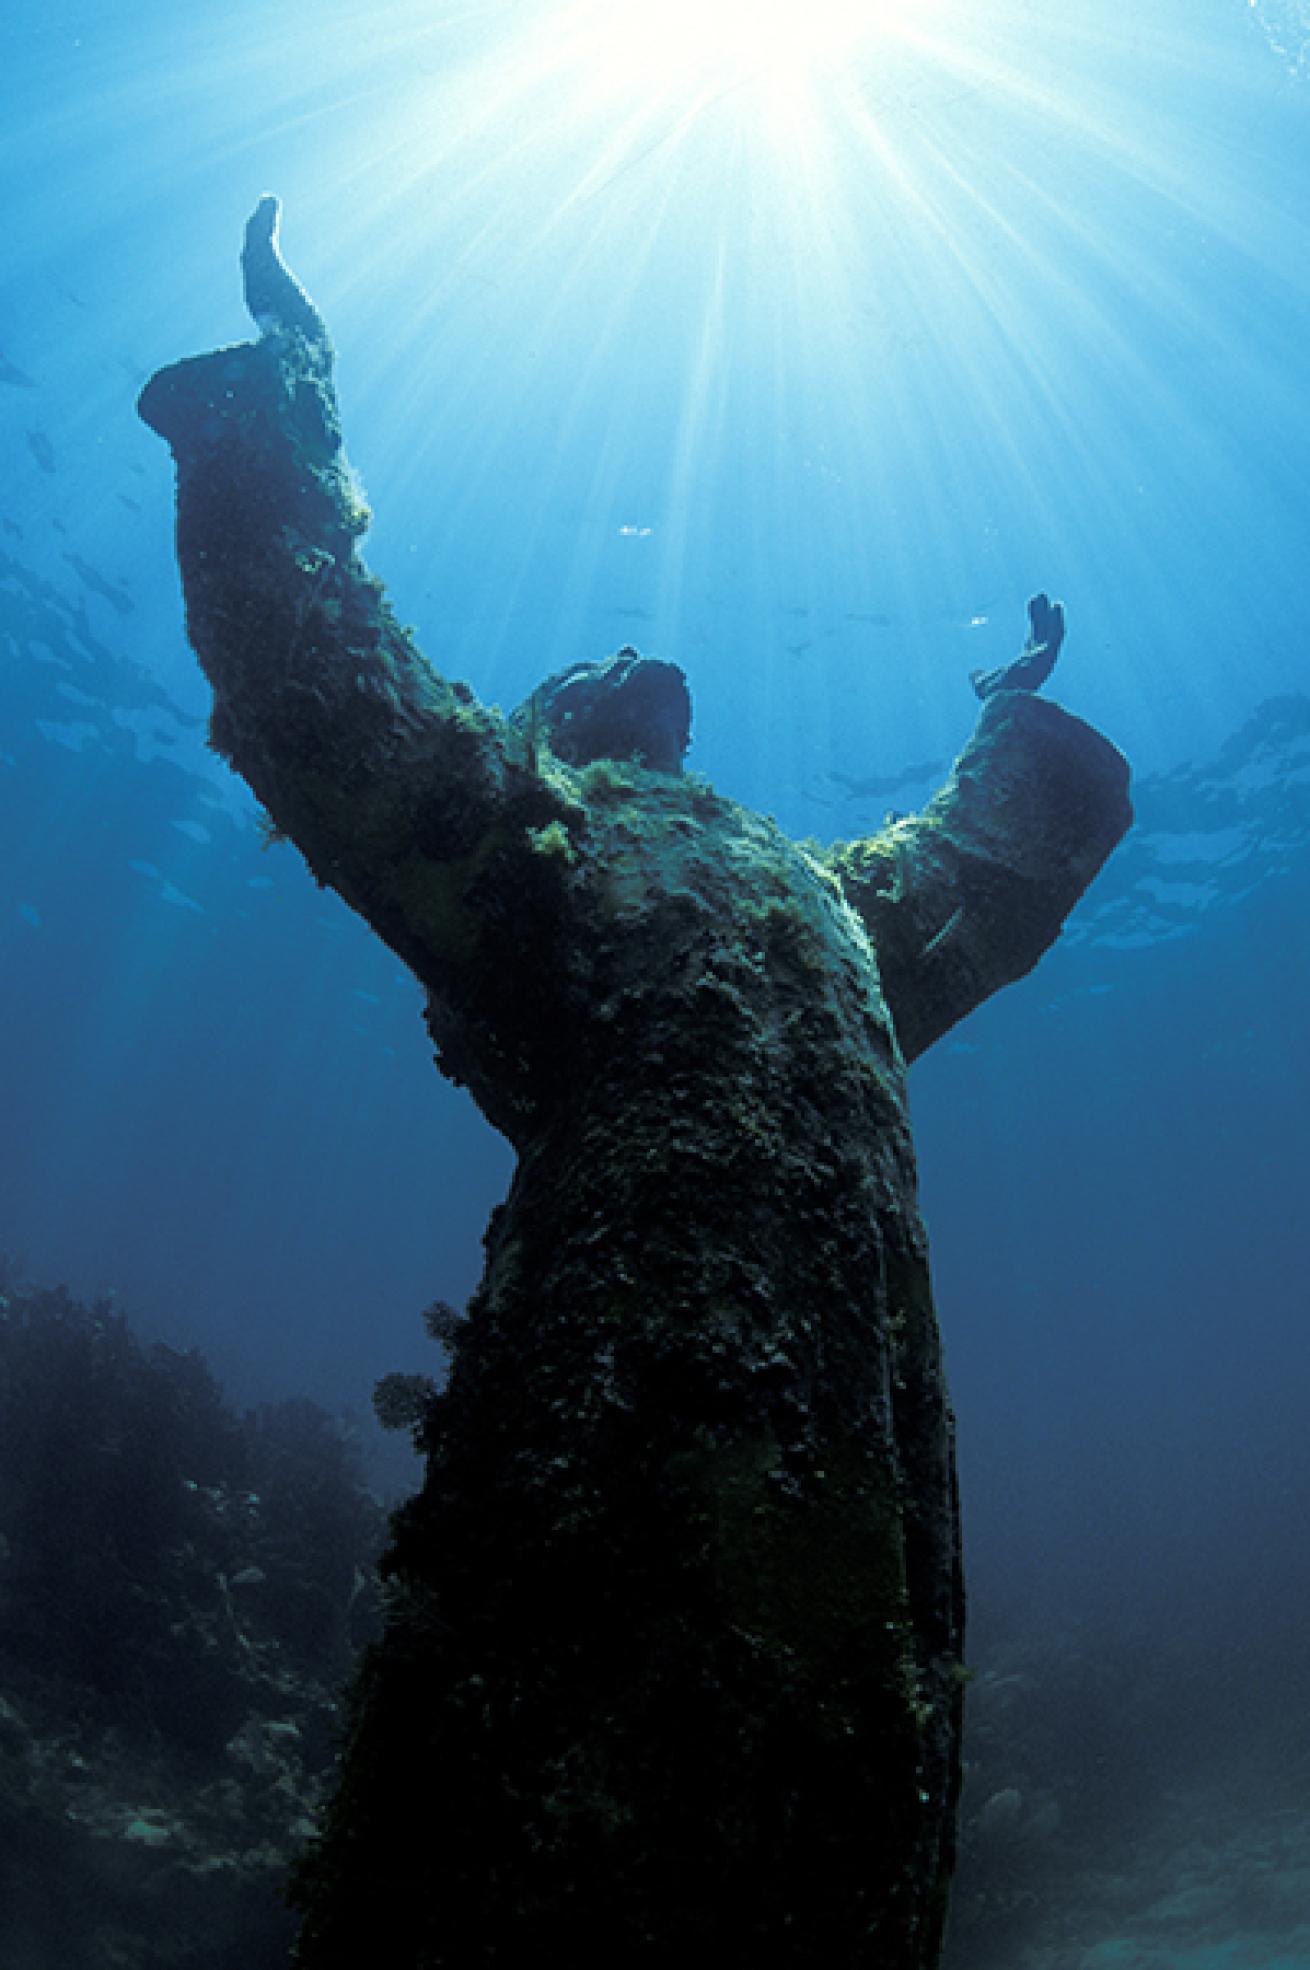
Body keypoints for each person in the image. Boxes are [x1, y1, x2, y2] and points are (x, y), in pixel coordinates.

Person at [139, 197, 1131, 1970]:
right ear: (552, 732)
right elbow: (330, 699)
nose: (630, 665)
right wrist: (279, 399)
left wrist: (1009, 704)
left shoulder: (818, 890)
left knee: (837, 1802)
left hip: (859, 1455)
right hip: (631, 1425)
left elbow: (974, 875)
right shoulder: (533, 844)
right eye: (584, 670)